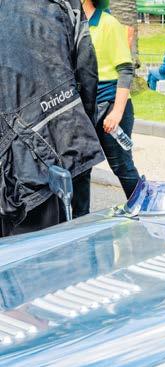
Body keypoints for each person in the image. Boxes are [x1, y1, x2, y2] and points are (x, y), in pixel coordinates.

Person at [0, 0, 104, 237]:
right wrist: (79, 129)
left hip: (36, 146)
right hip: (44, 148)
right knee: (43, 247)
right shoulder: (65, 4)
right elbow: (87, 72)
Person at [82, 0, 141, 206]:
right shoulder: (73, 26)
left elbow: (125, 70)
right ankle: (80, 221)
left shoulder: (108, 23)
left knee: (122, 166)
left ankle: (143, 210)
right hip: (84, 108)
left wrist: (116, 112)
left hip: (110, 105)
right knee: (81, 168)